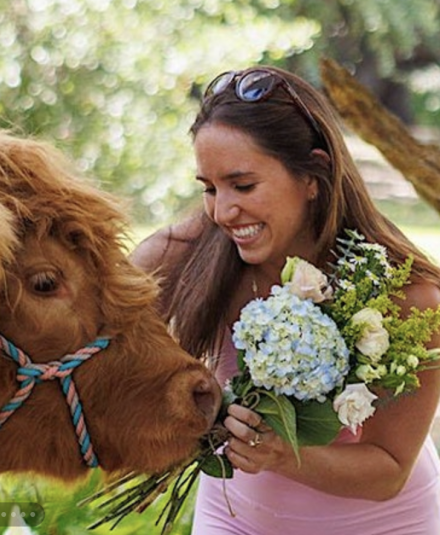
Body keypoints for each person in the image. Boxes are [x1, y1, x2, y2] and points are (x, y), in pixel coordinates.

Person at [131, 65, 440, 534]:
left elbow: (389, 471)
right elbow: (88, 333)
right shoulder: (191, 256)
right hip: (232, 521)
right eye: (210, 188)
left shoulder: (410, 297)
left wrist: (283, 454)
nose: (222, 211)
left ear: (312, 176)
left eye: (243, 185)